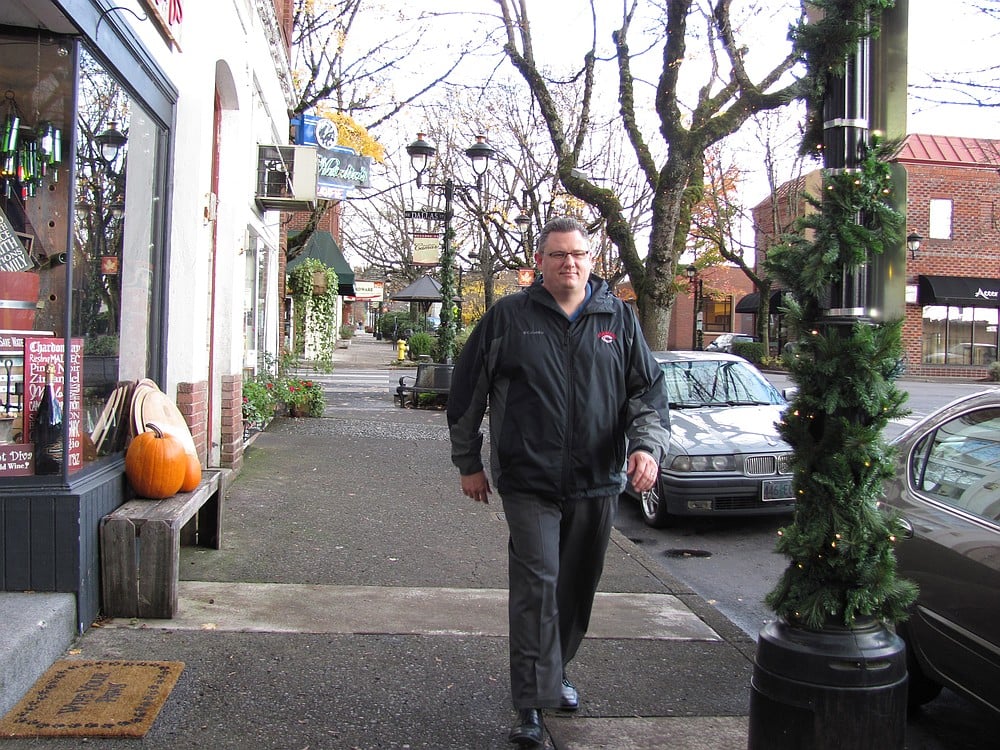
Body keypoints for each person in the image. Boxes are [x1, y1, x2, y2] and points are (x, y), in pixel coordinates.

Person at [447, 217, 671, 748]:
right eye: (557, 255)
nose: (569, 263)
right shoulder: (508, 317)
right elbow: (467, 391)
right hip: (529, 480)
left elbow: (647, 392)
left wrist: (646, 447)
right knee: (537, 586)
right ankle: (530, 702)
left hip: (597, 481)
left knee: (575, 587)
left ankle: (555, 668)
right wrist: (468, 461)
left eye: (578, 254)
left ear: (591, 260)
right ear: (540, 263)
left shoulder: (618, 317)